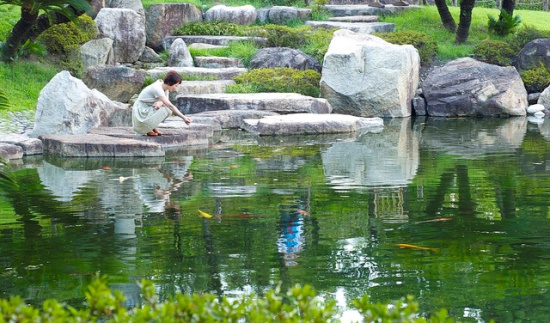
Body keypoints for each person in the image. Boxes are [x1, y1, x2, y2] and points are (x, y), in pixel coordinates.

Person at [132, 70, 191, 136]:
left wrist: (160, 103)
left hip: (149, 108)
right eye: (175, 85)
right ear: (170, 83)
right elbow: (170, 105)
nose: (175, 88)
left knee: (166, 109)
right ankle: (148, 129)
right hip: (141, 110)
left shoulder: (165, 88)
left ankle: (153, 127)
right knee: (167, 109)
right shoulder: (157, 88)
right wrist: (184, 118)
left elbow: (166, 102)